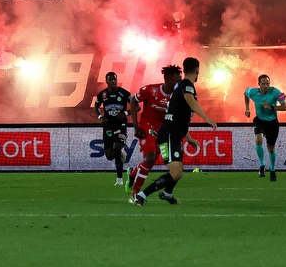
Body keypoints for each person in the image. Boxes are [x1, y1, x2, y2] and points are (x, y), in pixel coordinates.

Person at [133, 57, 217, 207]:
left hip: (173, 133)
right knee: (176, 172)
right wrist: (206, 118)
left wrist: (188, 137)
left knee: (178, 170)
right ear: (197, 70)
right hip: (170, 134)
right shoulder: (186, 86)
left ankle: (167, 193)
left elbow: (179, 117)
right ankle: (141, 195)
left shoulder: (179, 86)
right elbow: (190, 100)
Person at [126, 65, 192, 199]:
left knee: (165, 164)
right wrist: (136, 126)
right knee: (150, 158)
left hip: (166, 130)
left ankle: (133, 174)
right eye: (176, 79)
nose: (179, 81)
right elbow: (133, 101)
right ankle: (135, 193)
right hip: (148, 126)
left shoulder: (178, 95)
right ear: (167, 78)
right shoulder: (151, 90)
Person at [244, 74, 286, 182]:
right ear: (258, 84)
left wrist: (272, 107)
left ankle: (272, 169)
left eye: (267, 84)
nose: (266, 86)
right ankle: (262, 165)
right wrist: (247, 108)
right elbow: (245, 93)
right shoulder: (252, 92)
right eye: (263, 84)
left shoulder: (277, 92)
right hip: (260, 121)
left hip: (272, 123)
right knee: (258, 140)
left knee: (271, 148)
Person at [93, 72, 132, 185]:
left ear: (117, 80)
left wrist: (125, 113)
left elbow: (137, 106)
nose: (113, 81)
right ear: (106, 81)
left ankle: (119, 179)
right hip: (108, 126)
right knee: (110, 156)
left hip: (121, 125)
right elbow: (95, 107)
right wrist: (100, 117)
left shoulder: (123, 93)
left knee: (116, 148)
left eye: (114, 79)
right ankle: (121, 152)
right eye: (110, 79)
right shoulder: (102, 94)